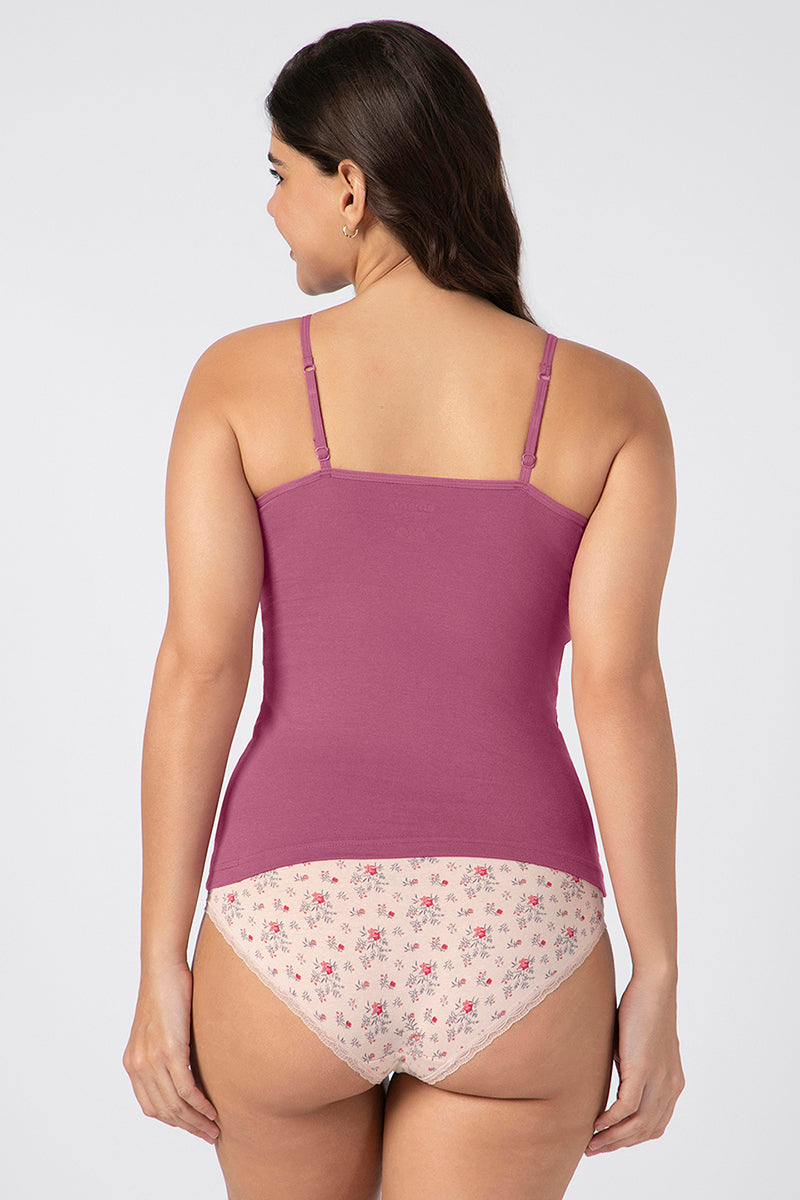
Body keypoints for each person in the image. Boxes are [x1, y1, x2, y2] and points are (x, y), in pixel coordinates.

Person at [122, 18, 684, 1200]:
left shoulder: (236, 380)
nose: (271, 207)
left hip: (288, 929)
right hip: (518, 936)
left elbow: (199, 670)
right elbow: (619, 690)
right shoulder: (609, 403)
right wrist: (657, 972)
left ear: (350, 185)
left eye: (279, 174)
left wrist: (159, 962)